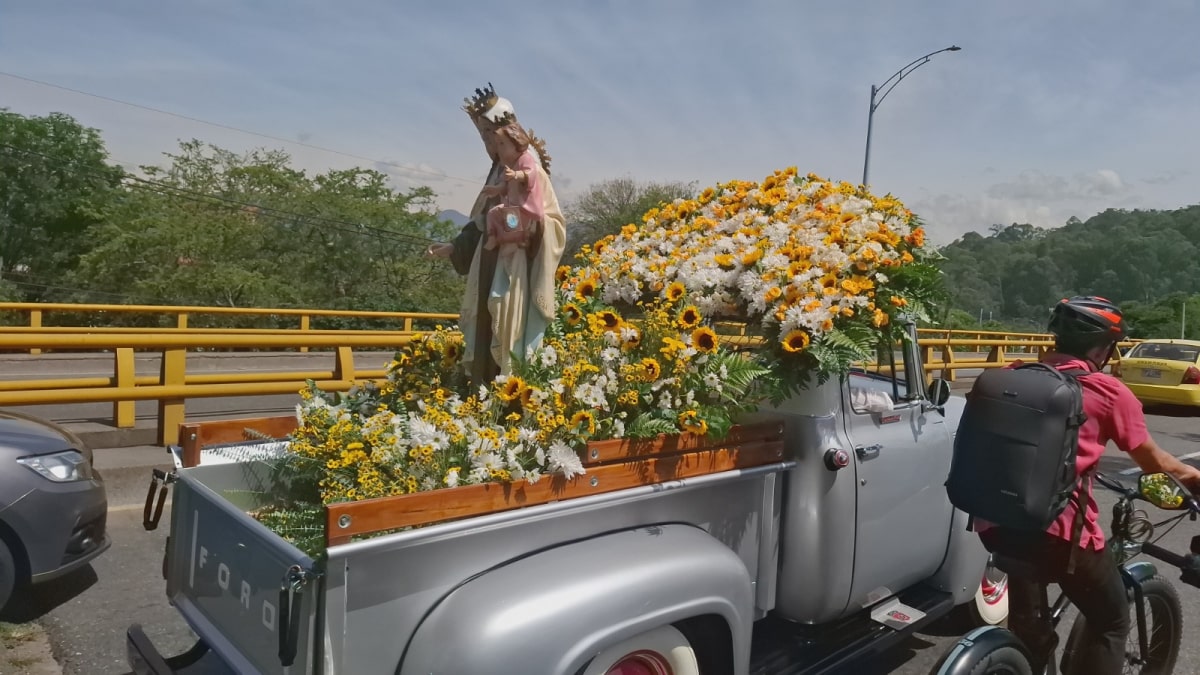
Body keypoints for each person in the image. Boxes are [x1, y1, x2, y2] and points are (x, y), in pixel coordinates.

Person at [977, 295, 1200, 675]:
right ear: (1104, 348)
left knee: (1029, 625)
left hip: (994, 522)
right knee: (1111, 621)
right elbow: (1157, 464)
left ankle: (1024, 651)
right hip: (1060, 536)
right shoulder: (1108, 392)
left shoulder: (1008, 374)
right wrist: (1195, 479)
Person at [426, 84, 566, 382]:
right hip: (490, 262)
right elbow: (481, 221)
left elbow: (547, 217)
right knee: (486, 326)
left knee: (507, 323)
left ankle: (508, 389)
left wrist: (517, 228)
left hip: (516, 266)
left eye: (491, 135)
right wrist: (455, 247)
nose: (489, 143)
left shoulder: (528, 170)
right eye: (484, 136)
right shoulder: (500, 170)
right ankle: (484, 391)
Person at [483, 124, 543, 251]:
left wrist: (516, 174)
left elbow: (530, 173)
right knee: (492, 214)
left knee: (512, 229)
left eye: (502, 143)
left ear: (516, 142)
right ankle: (493, 237)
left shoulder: (525, 158)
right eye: (498, 144)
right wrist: (496, 189)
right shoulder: (510, 164)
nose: (498, 148)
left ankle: (521, 237)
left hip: (523, 207)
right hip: (511, 205)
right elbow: (506, 185)